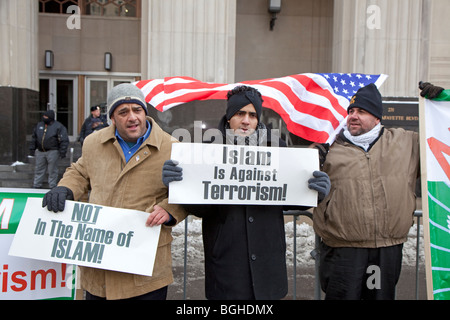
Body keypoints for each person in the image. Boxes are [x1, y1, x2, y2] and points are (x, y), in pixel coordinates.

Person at [162, 85, 331, 300]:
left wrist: (315, 192)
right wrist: (178, 184)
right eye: (240, 113)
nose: (246, 121)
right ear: (229, 116)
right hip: (226, 267)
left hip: (267, 266)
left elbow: (291, 198)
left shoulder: (276, 149)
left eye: (252, 115)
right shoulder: (207, 151)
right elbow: (198, 207)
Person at [41, 83, 187, 300]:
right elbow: (80, 172)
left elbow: (187, 190)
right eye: (123, 112)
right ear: (112, 117)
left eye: (137, 110)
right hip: (99, 268)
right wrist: (65, 188)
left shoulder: (172, 146)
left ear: (145, 112)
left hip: (145, 269)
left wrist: (169, 209)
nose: (132, 117)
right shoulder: (94, 143)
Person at [313, 83, 421, 300]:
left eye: (361, 111)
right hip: (343, 250)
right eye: (351, 111)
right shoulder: (327, 148)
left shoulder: (406, 142)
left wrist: (439, 102)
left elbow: (441, 136)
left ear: (377, 118)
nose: (353, 116)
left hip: (385, 250)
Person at [29, 110, 69, 189]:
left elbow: (64, 139)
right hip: (40, 151)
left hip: (53, 150)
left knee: (52, 170)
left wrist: (62, 151)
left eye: (46, 117)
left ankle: (52, 185)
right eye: (44, 116)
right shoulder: (39, 125)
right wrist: (32, 148)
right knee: (39, 169)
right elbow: (34, 138)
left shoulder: (58, 126)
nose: (44, 118)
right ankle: (37, 185)